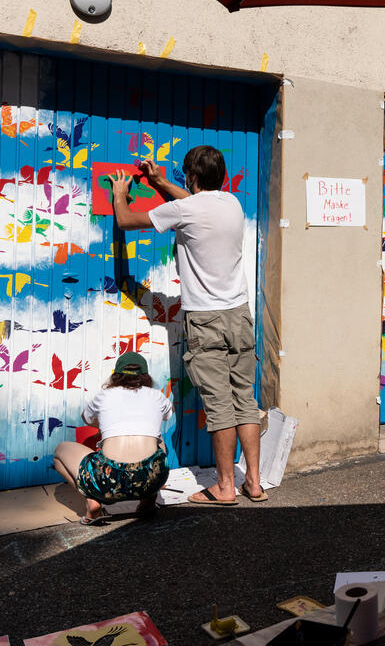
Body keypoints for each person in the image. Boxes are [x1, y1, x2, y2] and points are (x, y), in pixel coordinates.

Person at [108, 145, 265, 505]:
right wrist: (160, 181)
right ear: (220, 176)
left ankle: (225, 487)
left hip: (206, 319)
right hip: (239, 314)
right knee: (244, 398)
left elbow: (127, 221)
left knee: (220, 406)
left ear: (192, 178)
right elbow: (194, 205)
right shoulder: (231, 204)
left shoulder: (187, 209)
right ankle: (254, 483)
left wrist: (120, 195)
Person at [53, 352, 173, 524]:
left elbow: (85, 417)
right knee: (158, 440)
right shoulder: (157, 395)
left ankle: (92, 501)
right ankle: (148, 502)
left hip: (107, 480)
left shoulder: (104, 396)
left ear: (116, 375)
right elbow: (169, 414)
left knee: (59, 452)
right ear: (145, 376)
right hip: (151, 479)